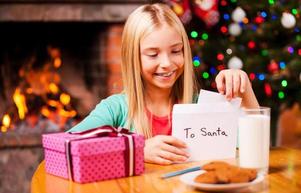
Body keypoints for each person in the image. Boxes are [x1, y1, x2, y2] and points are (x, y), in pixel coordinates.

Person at [68, 3, 259, 165]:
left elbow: (253, 145)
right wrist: (137, 151)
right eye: (153, 54)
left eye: (176, 51)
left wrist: (246, 92)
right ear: (133, 58)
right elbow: (68, 146)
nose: (167, 63)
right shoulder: (116, 109)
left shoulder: (201, 106)